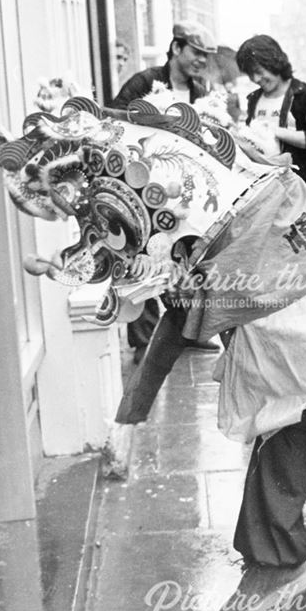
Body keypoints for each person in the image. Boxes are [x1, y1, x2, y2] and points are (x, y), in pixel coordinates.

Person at [111, 21, 219, 361]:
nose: (201, 61)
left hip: (185, 190)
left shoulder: (202, 93)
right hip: (144, 183)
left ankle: (189, 331)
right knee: (142, 255)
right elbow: (116, 118)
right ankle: (145, 340)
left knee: (186, 256)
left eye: (206, 56)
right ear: (176, 48)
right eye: (196, 52)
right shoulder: (145, 83)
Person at [236, 34, 306, 187]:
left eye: (258, 71)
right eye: (250, 74)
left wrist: (276, 131)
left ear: (274, 62)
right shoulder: (253, 99)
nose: (256, 79)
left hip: (294, 185)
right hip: (258, 183)